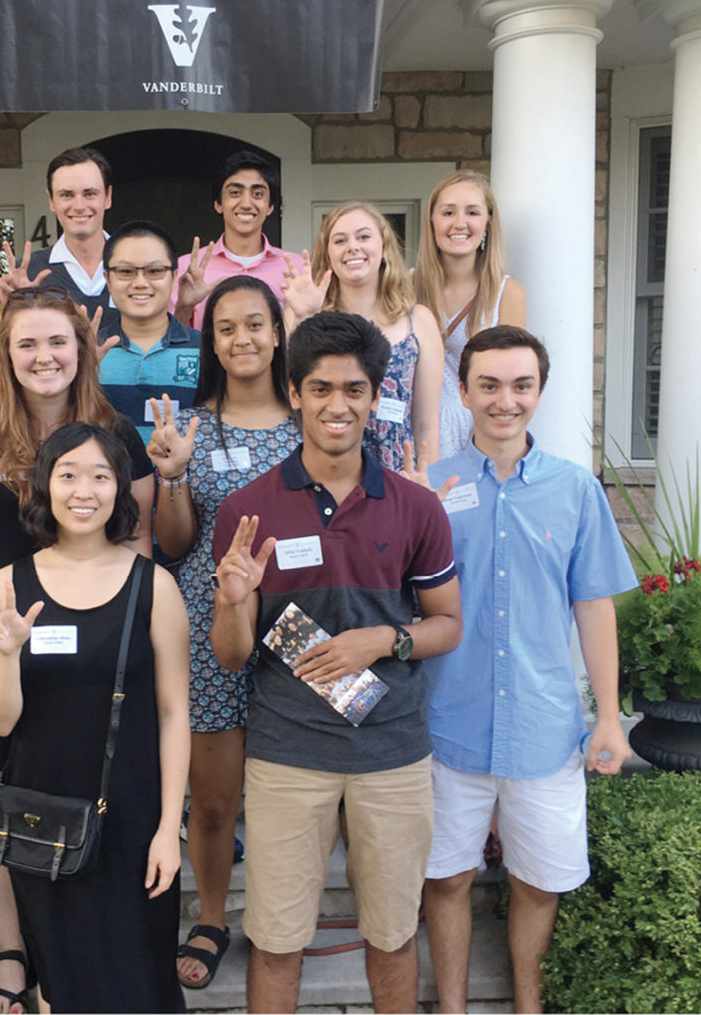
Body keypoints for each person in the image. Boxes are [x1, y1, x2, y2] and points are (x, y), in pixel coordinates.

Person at [0, 288, 154, 1014]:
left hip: (85, 642)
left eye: (57, 342)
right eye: (27, 344)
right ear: (6, 354)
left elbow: (137, 546)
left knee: (73, 786)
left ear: (81, 349)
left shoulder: (117, 433)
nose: (43, 356)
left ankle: (72, 943)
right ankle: (10, 946)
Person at [210, 312, 462, 1013]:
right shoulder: (247, 511)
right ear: (295, 393)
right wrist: (234, 602)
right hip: (289, 754)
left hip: (393, 753)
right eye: (320, 388)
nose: (337, 406)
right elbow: (231, 655)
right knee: (277, 939)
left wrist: (384, 641)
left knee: (391, 934)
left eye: (354, 390)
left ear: (375, 396)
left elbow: (448, 624)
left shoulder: (416, 507)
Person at [419, 326, 637, 1014]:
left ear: (539, 392)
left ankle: (528, 1005)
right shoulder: (431, 487)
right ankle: (451, 1007)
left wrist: (608, 716)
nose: (504, 401)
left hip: (544, 730)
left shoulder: (575, 491)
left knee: (540, 882)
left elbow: (594, 608)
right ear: (464, 391)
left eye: (520, 386)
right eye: (488, 385)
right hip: (447, 726)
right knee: (447, 878)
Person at [0, 423, 190, 1013]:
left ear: (119, 489)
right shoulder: (5, 588)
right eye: (67, 474)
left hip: (133, 817)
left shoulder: (156, 586)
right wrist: (5, 652)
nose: (83, 490)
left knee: (140, 976)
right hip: (42, 815)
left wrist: (169, 827)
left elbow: (175, 713)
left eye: (100, 476)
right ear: (44, 486)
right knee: (62, 980)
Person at [145, 275, 300, 989]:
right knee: (210, 801)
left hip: (299, 632)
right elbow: (174, 543)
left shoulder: (311, 422)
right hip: (209, 632)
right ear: (209, 340)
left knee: (294, 792)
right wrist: (174, 477)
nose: (243, 339)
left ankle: (281, 918)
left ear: (278, 333)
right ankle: (210, 916)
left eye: (256, 324)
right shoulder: (191, 425)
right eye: (226, 327)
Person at [281, 201, 443, 471]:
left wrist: (428, 488)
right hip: (324, 472)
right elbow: (289, 400)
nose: (352, 247)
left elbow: (427, 425)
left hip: (397, 476)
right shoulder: (303, 313)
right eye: (340, 240)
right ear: (328, 253)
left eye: (364, 237)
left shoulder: (419, 321)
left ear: (384, 247)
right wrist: (304, 317)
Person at [411, 170, 527, 458]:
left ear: (487, 224)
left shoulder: (508, 293)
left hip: (477, 442)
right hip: (413, 437)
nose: (459, 223)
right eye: (448, 212)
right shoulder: (404, 286)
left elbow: (510, 380)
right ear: (432, 222)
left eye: (472, 212)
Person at [172, 150, 304, 330]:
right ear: (218, 204)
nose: (246, 203)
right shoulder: (187, 269)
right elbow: (172, 343)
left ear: (271, 206)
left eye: (257, 194)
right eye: (235, 193)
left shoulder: (296, 269)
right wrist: (185, 307)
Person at [0, 145, 119, 334]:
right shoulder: (29, 273)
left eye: (89, 194)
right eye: (67, 195)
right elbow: (13, 349)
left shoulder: (136, 266)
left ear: (108, 197)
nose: (79, 206)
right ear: (51, 200)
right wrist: (11, 310)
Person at [97, 221, 200, 444]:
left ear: (174, 276)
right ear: (107, 278)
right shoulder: (89, 351)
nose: (141, 283)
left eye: (154, 271)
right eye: (126, 272)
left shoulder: (206, 350)